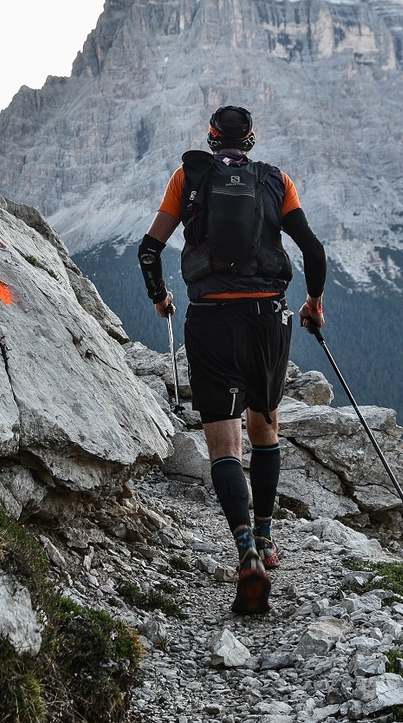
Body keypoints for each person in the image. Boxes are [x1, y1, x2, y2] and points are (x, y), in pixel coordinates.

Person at [137, 105, 327, 615]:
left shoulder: (188, 176)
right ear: (251, 140)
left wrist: (160, 297)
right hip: (268, 317)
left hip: (210, 319)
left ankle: (245, 552)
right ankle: (266, 540)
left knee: (224, 442)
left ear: (211, 138)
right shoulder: (276, 180)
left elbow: (149, 249)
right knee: (265, 429)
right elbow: (311, 248)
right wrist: (313, 304)